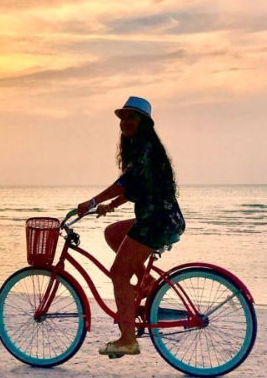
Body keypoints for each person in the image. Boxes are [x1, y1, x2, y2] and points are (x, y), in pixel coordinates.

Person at [76, 96, 186, 357]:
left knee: (118, 274)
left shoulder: (145, 148)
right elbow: (132, 188)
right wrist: (110, 207)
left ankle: (127, 339)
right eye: (123, 117)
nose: (125, 122)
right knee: (113, 232)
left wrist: (91, 202)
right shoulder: (141, 149)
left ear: (144, 123)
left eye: (131, 117)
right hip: (156, 218)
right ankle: (146, 281)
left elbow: (123, 184)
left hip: (156, 221)